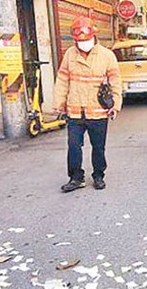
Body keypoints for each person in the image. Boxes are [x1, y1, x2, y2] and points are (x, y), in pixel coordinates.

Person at [53, 16, 122, 192]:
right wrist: (58, 103)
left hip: (98, 112)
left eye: (85, 39)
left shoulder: (107, 56)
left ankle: (98, 175)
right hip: (75, 112)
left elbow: (116, 82)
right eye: (78, 41)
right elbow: (62, 80)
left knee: (98, 147)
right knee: (73, 146)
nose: (82, 43)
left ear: (93, 36)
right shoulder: (70, 54)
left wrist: (116, 105)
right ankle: (76, 178)